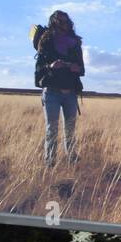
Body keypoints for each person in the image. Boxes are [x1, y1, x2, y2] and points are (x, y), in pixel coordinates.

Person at [33, 10, 85, 165]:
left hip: (70, 93)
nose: (64, 24)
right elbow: (38, 71)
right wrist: (51, 66)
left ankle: (72, 160)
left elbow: (82, 69)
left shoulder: (75, 44)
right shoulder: (46, 42)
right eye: (60, 21)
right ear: (53, 22)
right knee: (52, 130)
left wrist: (74, 68)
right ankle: (50, 163)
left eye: (66, 21)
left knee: (70, 130)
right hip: (51, 93)